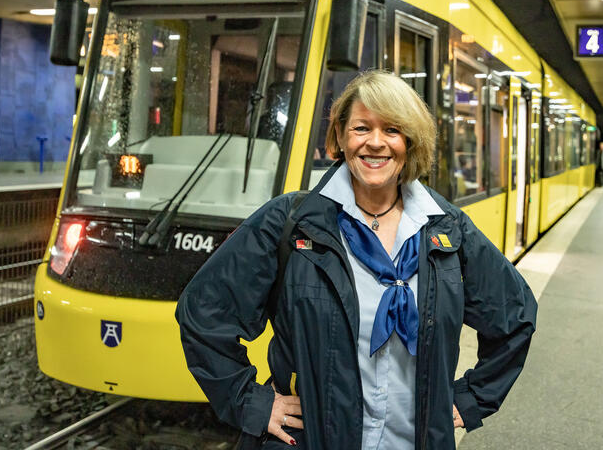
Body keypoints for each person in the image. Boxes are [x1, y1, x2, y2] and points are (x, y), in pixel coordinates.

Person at [175, 71, 538, 449]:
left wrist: (472, 398)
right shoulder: (291, 222)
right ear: (340, 135)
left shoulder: (447, 228)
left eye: (392, 130)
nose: (376, 142)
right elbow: (203, 312)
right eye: (362, 128)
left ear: (411, 141)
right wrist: (251, 401)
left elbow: (515, 316)